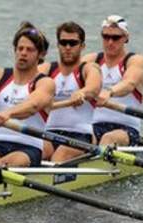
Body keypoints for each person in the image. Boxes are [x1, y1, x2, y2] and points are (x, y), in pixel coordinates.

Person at [0, 23, 55, 167]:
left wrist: (7, 114)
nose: (23, 53)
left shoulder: (45, 83)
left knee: (4, 165)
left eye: (30, 50)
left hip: (29, 147)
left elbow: (32, 105)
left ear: (41, 54)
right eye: (20, 48)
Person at [39, 21, 102, 162]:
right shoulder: (46, 69)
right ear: (58, 45)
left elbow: (94, 87)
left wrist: (83, 92)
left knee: (59, 156)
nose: (67, 47)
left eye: (73, 43)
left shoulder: (89, 68)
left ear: (82, 46)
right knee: (34, 151)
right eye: (63, 43)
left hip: (80, 136)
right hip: (48, 134)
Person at [82, 15, 143, 146]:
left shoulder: (135, 60)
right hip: (94, 126)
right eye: (106, 37)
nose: (110, 42)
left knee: (108, 138)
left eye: (116, 38)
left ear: (126, 38)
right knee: (79, 136)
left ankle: (99, 164)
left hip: (126, 129)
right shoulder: (90, 60)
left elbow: (129, 83)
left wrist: (109, 92)